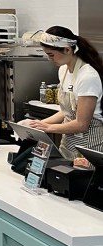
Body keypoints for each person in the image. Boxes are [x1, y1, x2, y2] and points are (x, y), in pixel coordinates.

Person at [28, 26, 103, 161]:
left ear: (67, 49)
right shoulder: (63, 71)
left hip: (89, 148)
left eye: (51, 54)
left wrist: (49, 127)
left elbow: (81, 124)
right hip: (68, 144)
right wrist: (36, 126)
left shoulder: (87, 76)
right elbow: (66, 112)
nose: (49, 59)